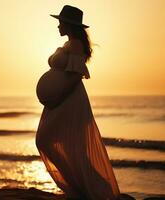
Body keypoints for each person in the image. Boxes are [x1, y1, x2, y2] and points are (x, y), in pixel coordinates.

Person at [35, 5, 120, 200]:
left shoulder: (75, 46)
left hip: (68, 100)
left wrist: (57, 97)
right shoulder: (70, 44)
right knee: (61, 144)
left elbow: (75, 76)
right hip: (60, 101)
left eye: (60, 23)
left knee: (51, 141)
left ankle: (95, 188)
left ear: (68, 24)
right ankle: (80, 187)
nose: (58, 26)